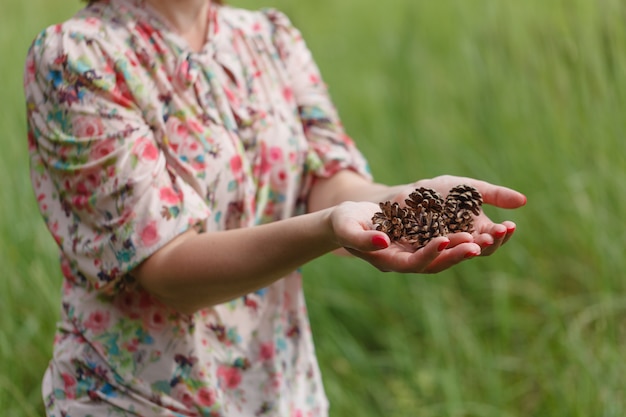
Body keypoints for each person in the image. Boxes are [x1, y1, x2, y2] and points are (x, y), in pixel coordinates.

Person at [24, 0, 527, 415]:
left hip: (279, 394)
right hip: (135, 397)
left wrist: (399, 204)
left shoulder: (269, 37)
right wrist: (328, 228)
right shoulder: (78, 59)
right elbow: (166, 268)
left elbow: (327, 183)